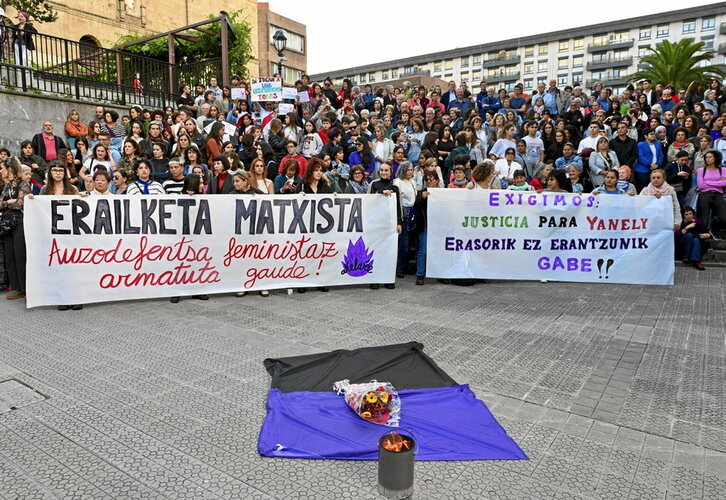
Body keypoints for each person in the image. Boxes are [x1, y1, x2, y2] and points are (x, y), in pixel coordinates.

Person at [0, 157, 30, 300]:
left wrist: (7, 203)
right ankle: (16, 286)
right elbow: (1, 203)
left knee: (20, 254)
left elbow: (20, 204)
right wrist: (8, 202)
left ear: (10, 169)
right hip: (7, 222)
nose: (2, 171)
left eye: (3, 168)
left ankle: (25, 287)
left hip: (19, 221)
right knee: (10, 255)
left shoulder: (23, 183)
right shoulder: (8, 185)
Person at [393, 162, 416, 284]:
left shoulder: (412, 182)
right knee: (404, 243)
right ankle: (399, 268)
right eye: (408, 170)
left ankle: (407, 266)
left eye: (411, 170)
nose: (410, 172)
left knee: (411, 242)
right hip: (403, 213)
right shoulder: (397, 183)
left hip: (412, 213)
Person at [696, 150, 726, 239]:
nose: (708, 159)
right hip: (705, 195)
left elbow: (724, 183)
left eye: (710, 157)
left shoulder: (723, 170)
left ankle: (714, 227)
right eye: (706, 157)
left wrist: (708, 182)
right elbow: (701, 185)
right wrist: (717, 182)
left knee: (724, 217)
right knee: (704, 218)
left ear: (716, 158)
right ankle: (705, 237)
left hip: (718, 195)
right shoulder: (701, 170)